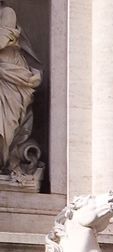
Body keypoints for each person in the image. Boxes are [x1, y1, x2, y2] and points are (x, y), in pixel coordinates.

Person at [0, 0, 41, 171]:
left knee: (6, 121)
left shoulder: (7, 12)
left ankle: (4, 160)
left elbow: (2, 41)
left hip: (11, 76)